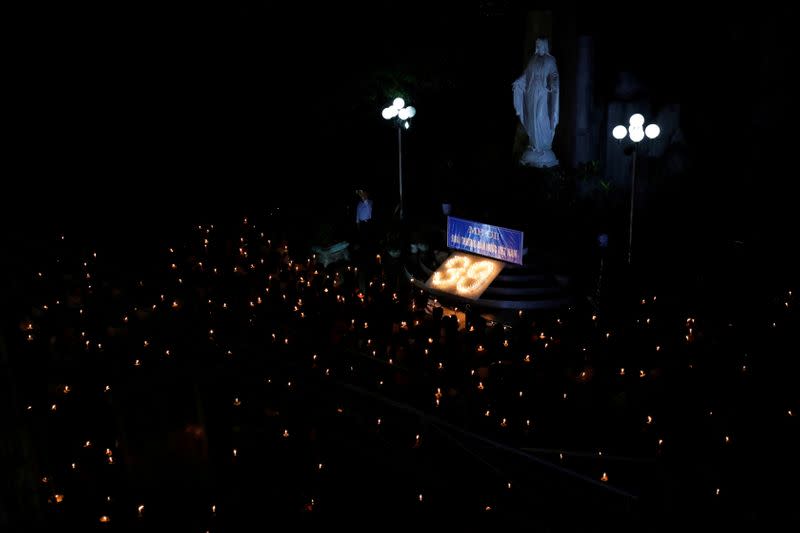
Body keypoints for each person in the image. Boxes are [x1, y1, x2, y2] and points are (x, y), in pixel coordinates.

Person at [513, 37, 560, 168]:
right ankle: (534, 145)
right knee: (532, 118)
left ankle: (544, 145)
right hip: (531, 93)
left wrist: (553, 83)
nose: (538, 47)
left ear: (545, 46)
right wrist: (519, 82)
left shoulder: (550, 60)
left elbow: (554, 74)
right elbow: (527, 75)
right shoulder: (532, 60)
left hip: (543, 92)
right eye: (536, 45)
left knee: (540, 117)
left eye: (540, 45)